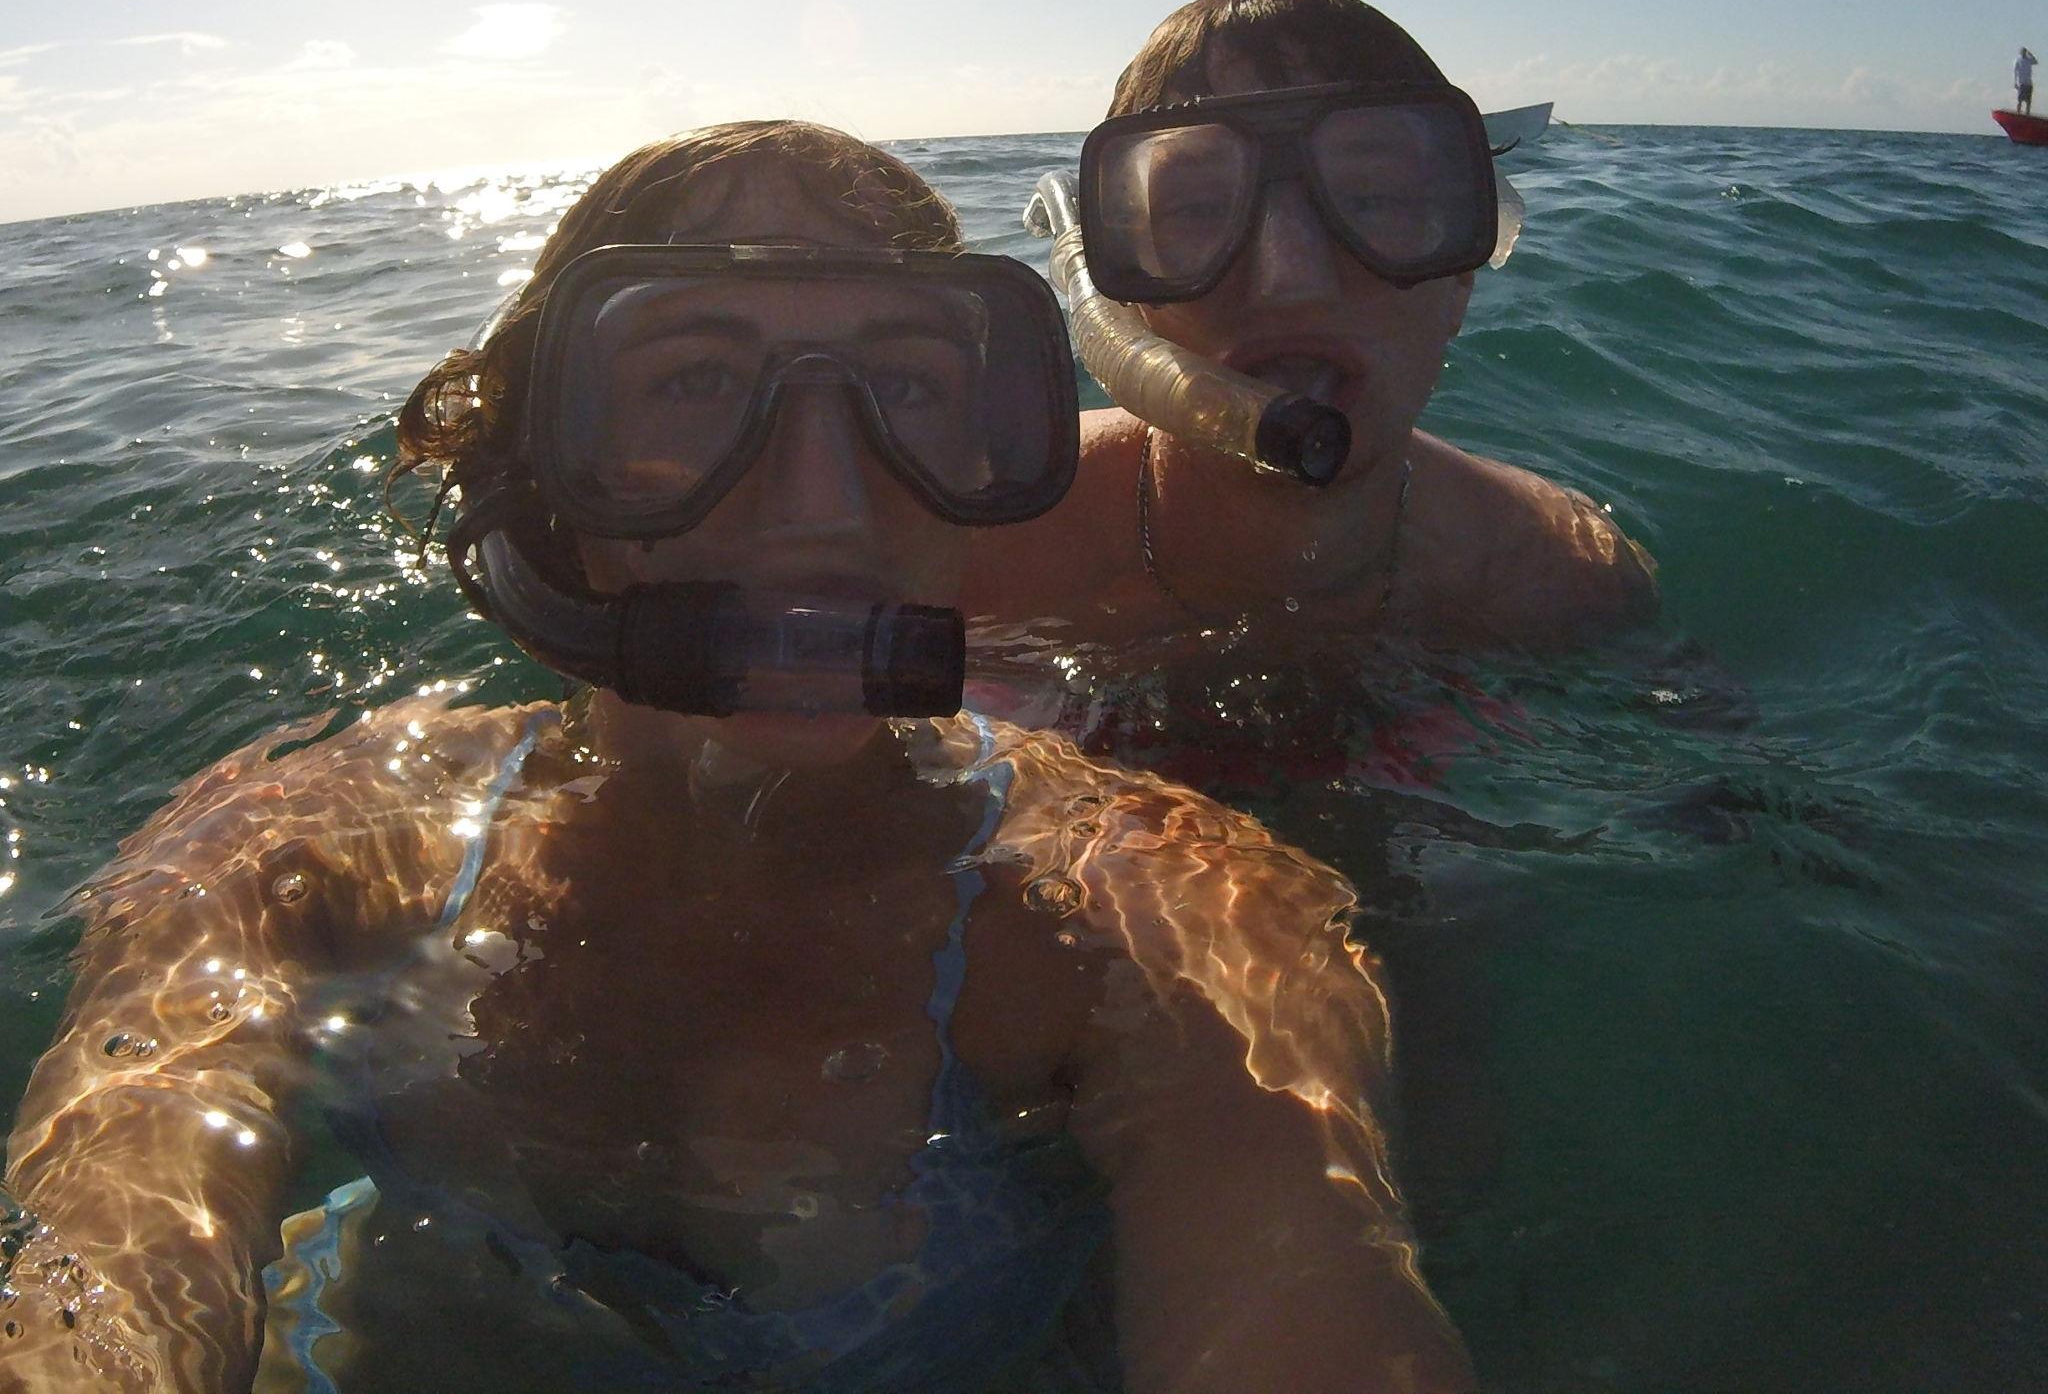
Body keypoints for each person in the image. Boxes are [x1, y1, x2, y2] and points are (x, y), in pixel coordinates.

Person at [0, 121, 1472, 1394]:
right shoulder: (298, 857)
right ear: (544, 474)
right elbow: (101, 1291)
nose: (821, 497)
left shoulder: (1166, 922)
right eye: (697, 385)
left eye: (904, 389)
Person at [964, 0, 1657, 656]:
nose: (1290, 279)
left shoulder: (1563, 572)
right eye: (1199, 209)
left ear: (1460, 279)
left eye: (1374, 198)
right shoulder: (973, 545)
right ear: (1123, 297)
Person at [2018, 46, 2036, 115]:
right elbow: (2014, 72)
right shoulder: (2018, 60)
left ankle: (2027, 113)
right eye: (2023, 52)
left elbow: (2035, 62)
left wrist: (2031, 54)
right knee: (2020, 99)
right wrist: (2015, 82)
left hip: (2029, 83)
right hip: (2022, 83)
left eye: (2025, 52)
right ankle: (2018, 112)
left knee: (2028, 101)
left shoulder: (2029, 60)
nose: (2024, 53)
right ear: (2020, 53)